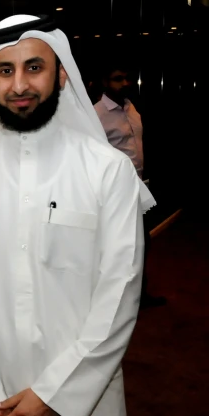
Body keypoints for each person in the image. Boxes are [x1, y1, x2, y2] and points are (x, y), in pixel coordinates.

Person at [0, 15, 155, 416]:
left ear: (62, 76)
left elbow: (120, 293)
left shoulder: (107, 170)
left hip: (81, 397)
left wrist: (56, 395)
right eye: (5, 70)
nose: (19, 85)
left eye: (34, 67)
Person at [93, 66, 165, 309]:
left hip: (139, 188)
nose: (125, 83)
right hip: (114, 193)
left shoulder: (131, 108)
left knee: (141, 245)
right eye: (117, 79)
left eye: (127, 78)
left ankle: (138, 296)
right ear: (104, 81)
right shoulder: (96, 115)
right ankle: (113, 302)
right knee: (116, 248)